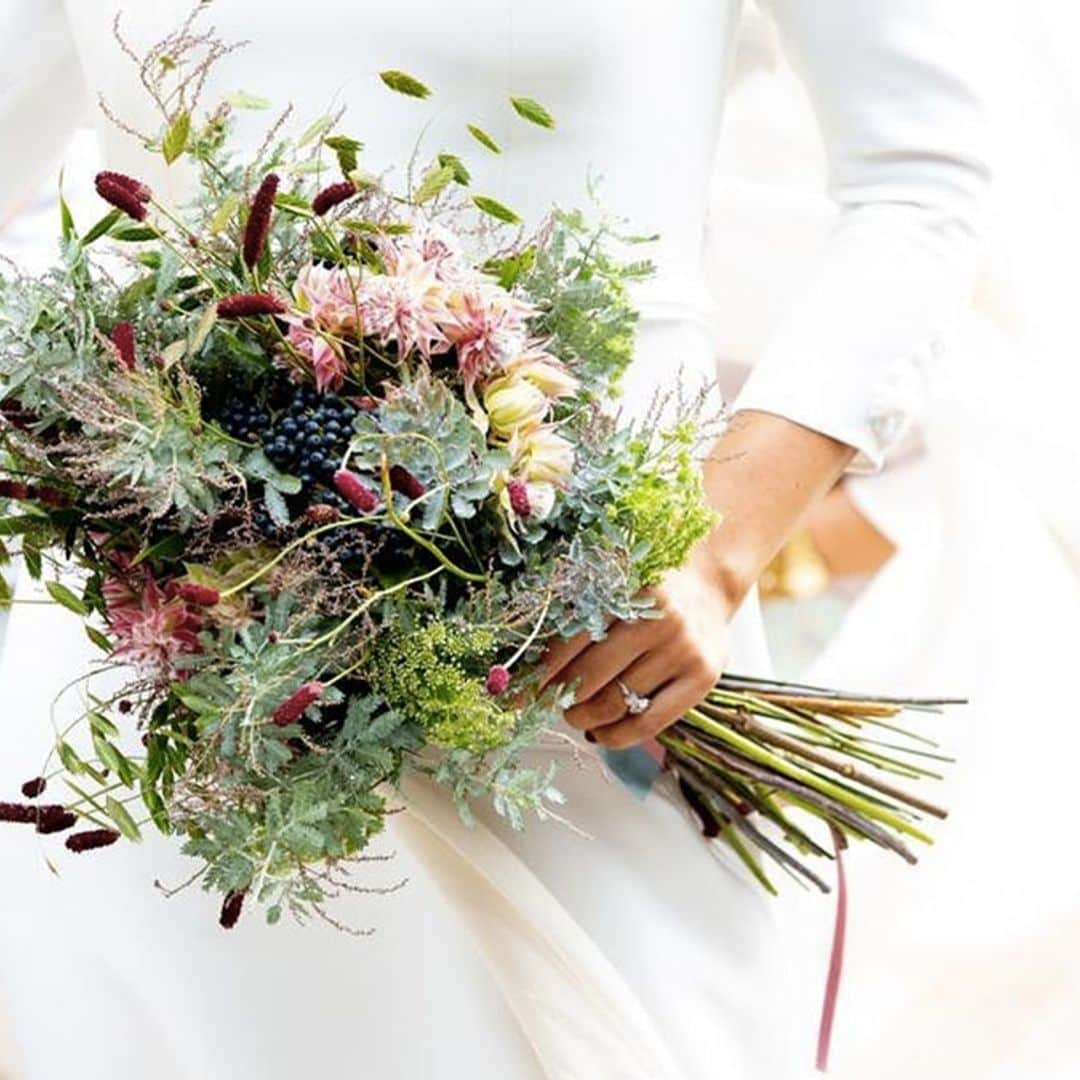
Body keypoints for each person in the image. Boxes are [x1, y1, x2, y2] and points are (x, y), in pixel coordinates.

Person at [0, 3, 993, 1077]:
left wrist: (713, 549)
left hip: (600, 643)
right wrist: (77, 416)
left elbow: (921, 184)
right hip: (195, 671)